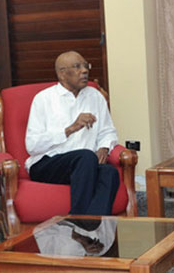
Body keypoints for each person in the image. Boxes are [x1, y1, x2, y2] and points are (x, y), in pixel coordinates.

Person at [25, 51, 120, 215]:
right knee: (85, 156)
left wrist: (104, 148)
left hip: (85, 165)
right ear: (62, 73)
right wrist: (70, 129)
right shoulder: (43, 99)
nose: (84, 71)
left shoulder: (95, 96)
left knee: (109, 172)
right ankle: (77, 218)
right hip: (48, 164)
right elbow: (32, 146)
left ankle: (90, 228)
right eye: (77, 67)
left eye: (85, 66)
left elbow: (108, 131)